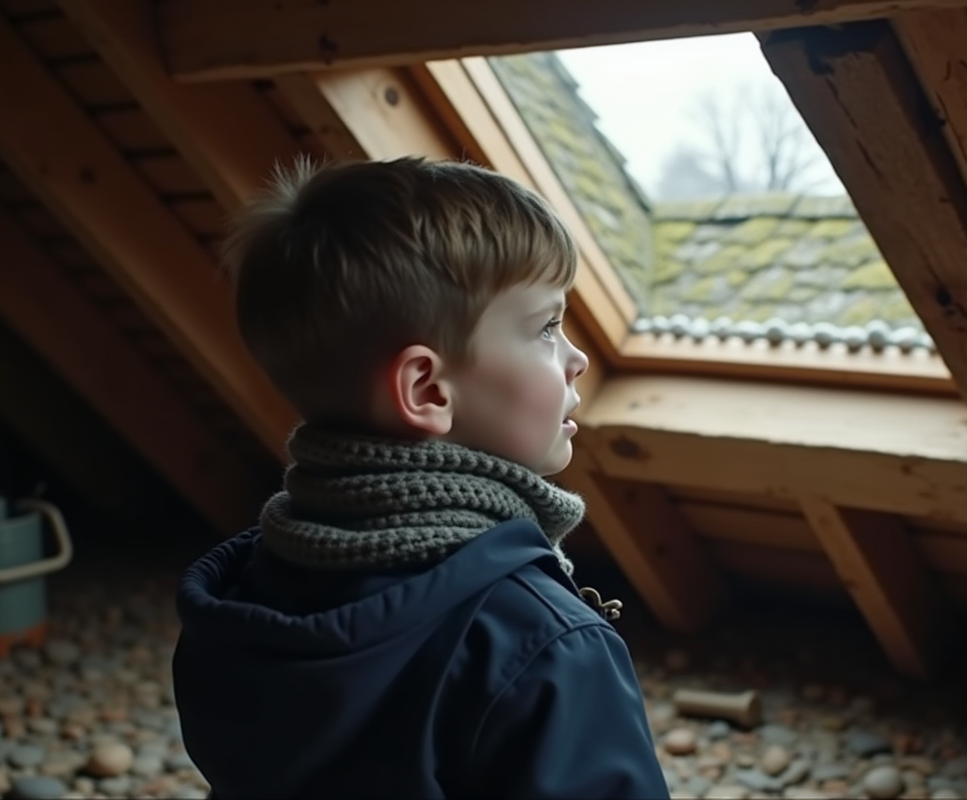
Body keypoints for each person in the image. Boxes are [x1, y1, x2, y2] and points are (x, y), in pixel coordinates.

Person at [170, 156, 671, 799]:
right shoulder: (543, 644)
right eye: (546, 327)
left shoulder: (243, 598)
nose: (576, 357)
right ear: (427, 388)